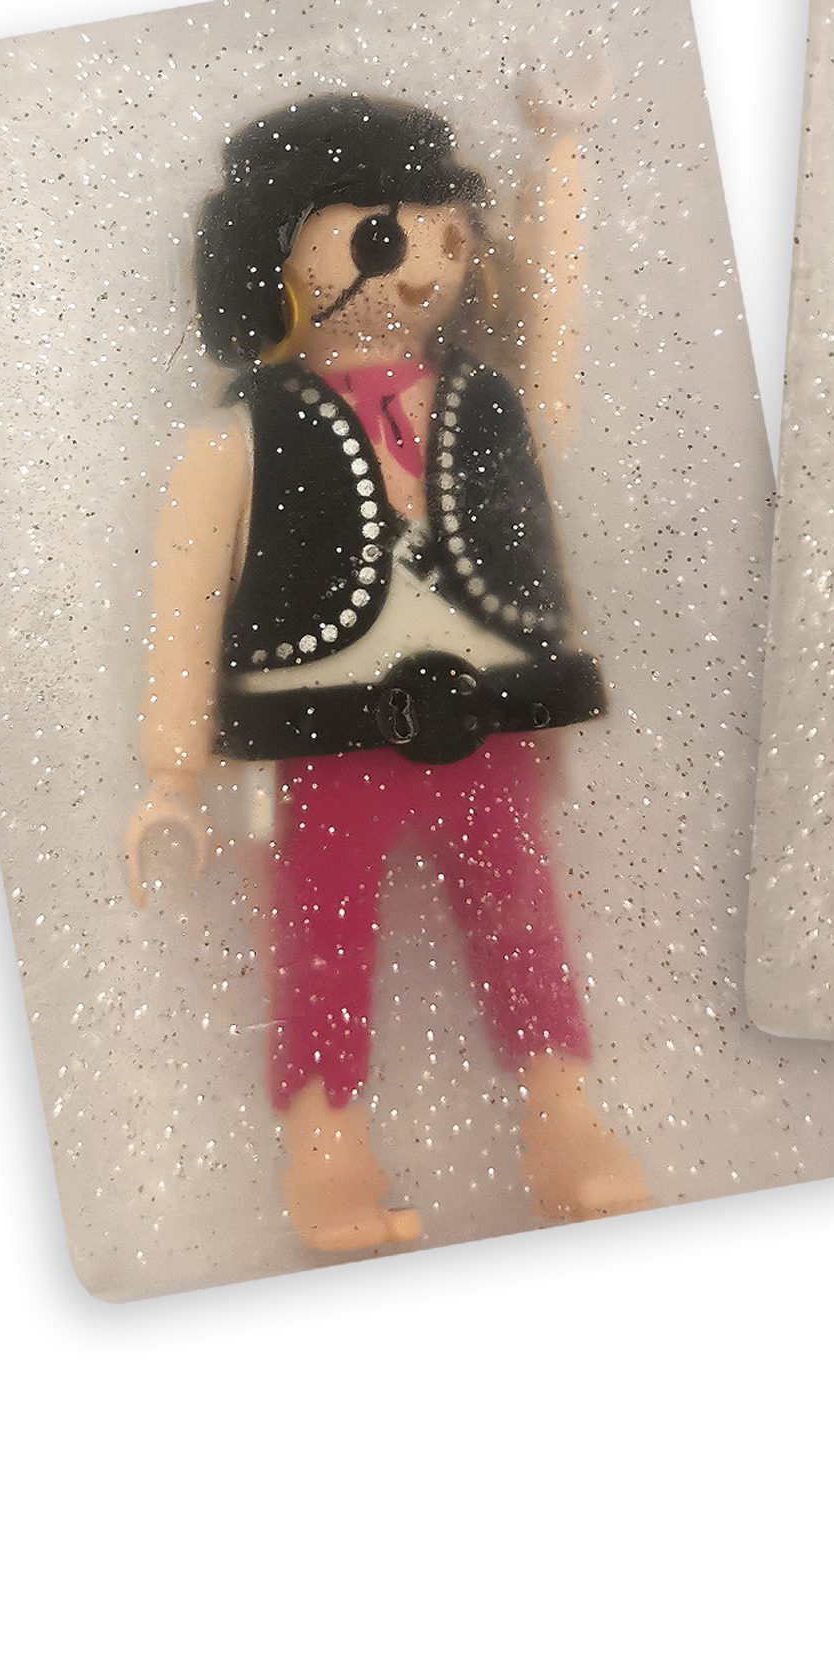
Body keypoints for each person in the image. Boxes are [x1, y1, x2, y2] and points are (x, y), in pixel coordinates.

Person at [126, 74, 650, 1246]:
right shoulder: (236, 438)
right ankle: (324, 1145)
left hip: (484, 716)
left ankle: (562, 1112)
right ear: (272, 252)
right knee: (319, 937)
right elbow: (185, 604)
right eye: (378, 238)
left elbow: (557, 342)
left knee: (522, 918)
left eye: (447, 238)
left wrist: (564, 159)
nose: (420, 270)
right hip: (321, 731)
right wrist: (171, 773)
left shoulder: (487, 406)